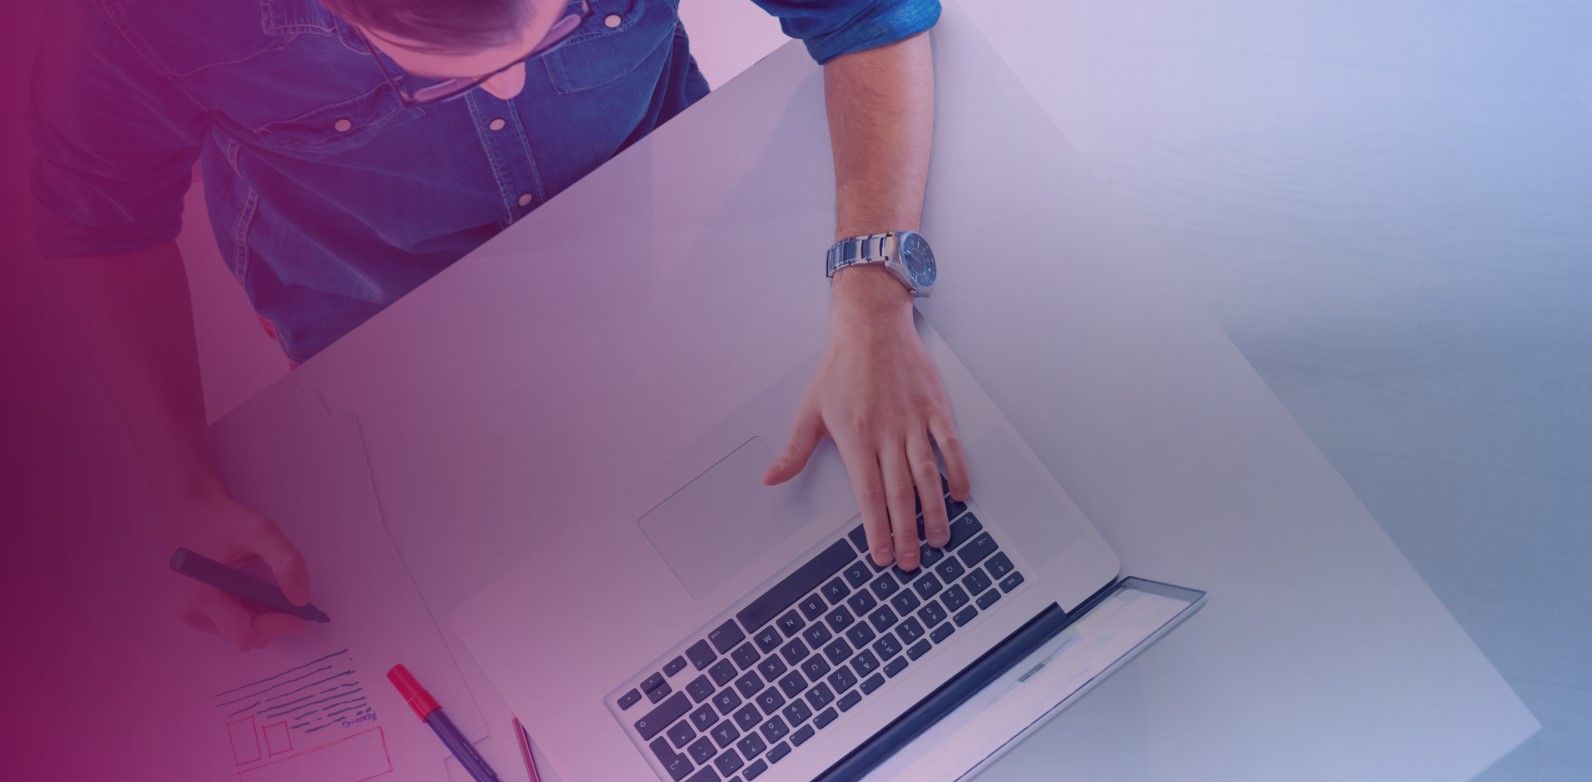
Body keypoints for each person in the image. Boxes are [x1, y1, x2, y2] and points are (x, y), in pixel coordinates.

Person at [33, 0, 963, 651]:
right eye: (438, 82)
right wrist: (181, 486)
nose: (512, 85)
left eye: (559, 22)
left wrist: (873, 297)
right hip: (378, 326)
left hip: (665, 221)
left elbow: (869, 13)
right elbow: (98, 223)